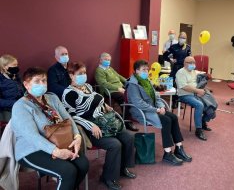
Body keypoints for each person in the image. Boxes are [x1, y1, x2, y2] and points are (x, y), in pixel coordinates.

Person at [11, 67, 89, 190]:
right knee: (68, 171)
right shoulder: (21, 106)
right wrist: (56, 152)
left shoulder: (52, 98)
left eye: (44, 80)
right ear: (26, 85)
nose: (42, 84)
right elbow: (32, 137)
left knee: (83, 164)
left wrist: (77, 136)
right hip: (31, 149)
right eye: (37, 81)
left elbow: (67, 118)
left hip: (59, 142)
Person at [62, 62, 135, 190]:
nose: (83, 76)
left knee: (128, 137)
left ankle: (122, 168)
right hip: (88, 128)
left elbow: (96, 101)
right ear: (71, 75)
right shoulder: (68, 93)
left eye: (84, 73)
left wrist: (104, 106)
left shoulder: (88, 87)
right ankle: (108, 177)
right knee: (115, 144)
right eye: (80, 74)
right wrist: (91, 126)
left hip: (104, 122)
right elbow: (71, 117)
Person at [126, 60, 192, 166]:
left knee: (173, 117)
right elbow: (138, 103)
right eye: (143, 70)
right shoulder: (132, 84)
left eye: (147, 69)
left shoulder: (146, 81)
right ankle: (167, 153)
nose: (146, 72)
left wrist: (161, 106)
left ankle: (179, 148)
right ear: (136, 71)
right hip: (141, 111)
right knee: (166, 121)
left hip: (152, 109)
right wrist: (156, 110)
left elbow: (156, 96)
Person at [95, 52, 138, 132]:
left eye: (109, 60)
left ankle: (133, 116)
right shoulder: (99, 71)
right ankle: (127, 122)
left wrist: (128, 82)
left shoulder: (110, 68)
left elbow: (119, 76)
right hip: (110, 91)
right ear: (100, 60)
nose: (108, 61)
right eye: (106, 59)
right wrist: (117, 88)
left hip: (120, 87)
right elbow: (103, 83)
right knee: (125, 98)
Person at [176, 56, 212, 141]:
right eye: (190, 62)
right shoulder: (180, 72)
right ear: (185, 63)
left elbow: (202, 75)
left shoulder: (194, 71)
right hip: (185, 95)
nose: (193, 64)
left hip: (196, 93)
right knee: (199, 105)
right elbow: (184, 87)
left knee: (212, 103)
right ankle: (198, 130)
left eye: (194, 62)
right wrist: (197, 91)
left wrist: (207, 76)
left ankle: (203, 121)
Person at [163, 32, 191, 108]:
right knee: (171, 83)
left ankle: (178, 101)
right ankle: (173, 102)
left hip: (183, 69)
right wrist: (170, 60)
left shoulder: (188, 47)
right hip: (175, 68)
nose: (182, 39)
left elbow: (189, 59)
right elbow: (164, 56)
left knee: (181, 86)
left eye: (184, 38)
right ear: (178, 38)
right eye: (181, 37)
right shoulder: (173, 47)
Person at [0, 54, 25, 122]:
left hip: (21, 105)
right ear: (4, 67)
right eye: (14, 65)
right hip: (6, 109)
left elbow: (22, 90)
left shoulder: (16, 76)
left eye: (16, 65)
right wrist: (15, 103)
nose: (16, 67)